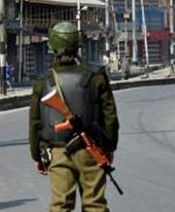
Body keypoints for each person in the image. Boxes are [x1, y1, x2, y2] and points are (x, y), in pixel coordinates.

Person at [30, 21, 119, 212]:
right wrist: (109, 147)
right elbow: (109, 115)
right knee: (95, 204)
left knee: (60, 205)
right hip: (91, 149)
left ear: (53, 46)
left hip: (57, 152)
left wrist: (38, 156)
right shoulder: (95, 76)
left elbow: (36, 123)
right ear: (78, 45)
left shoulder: (43, 81)